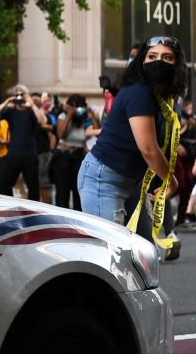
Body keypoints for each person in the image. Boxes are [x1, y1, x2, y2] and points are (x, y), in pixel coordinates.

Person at [80, 36, 187, 243]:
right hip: (104, 179)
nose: (159, 62)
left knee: (144, 250)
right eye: (152, 56)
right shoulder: (139, 92)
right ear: (142, 61)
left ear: (177, 64)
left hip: (133, 182)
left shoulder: (161, 97)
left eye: (167, 57)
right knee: (112, 254)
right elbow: (148, 148)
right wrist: (171, 181)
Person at [0, 85, 47, 201]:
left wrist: (31, 103)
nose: (19, 97)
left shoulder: (31, 111)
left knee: (33, 187)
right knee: (4, 186)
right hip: (13, 154)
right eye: (16, 94)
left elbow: (43, 120)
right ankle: (9, 208)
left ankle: (33, 212)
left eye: (21, 94)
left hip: (29, 155)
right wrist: (6, 102)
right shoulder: (10, 111)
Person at [51, 93, 96, 210]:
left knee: (78, 191)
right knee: (62, 191)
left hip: (79, 156)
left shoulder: (86, 118)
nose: (78, 110)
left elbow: (96, 131)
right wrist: (69, 115)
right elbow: (60, 134)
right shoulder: (63, 116)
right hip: (63, 156)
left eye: (80, 107)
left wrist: (92, 115)